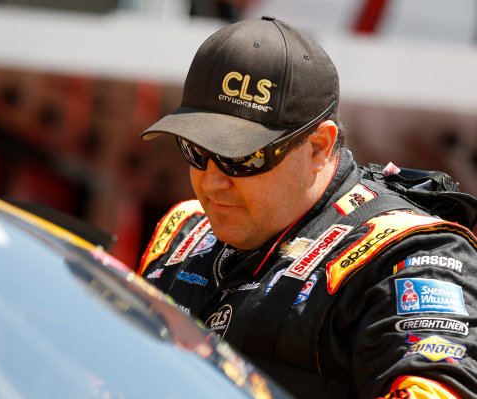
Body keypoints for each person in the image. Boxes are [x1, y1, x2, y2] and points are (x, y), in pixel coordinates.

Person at [136, 15, 477, 399]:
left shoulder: (411, 256)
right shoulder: (183, 230)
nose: (212, 181)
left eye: (243, 158)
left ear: (318, 147)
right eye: (196, 150)